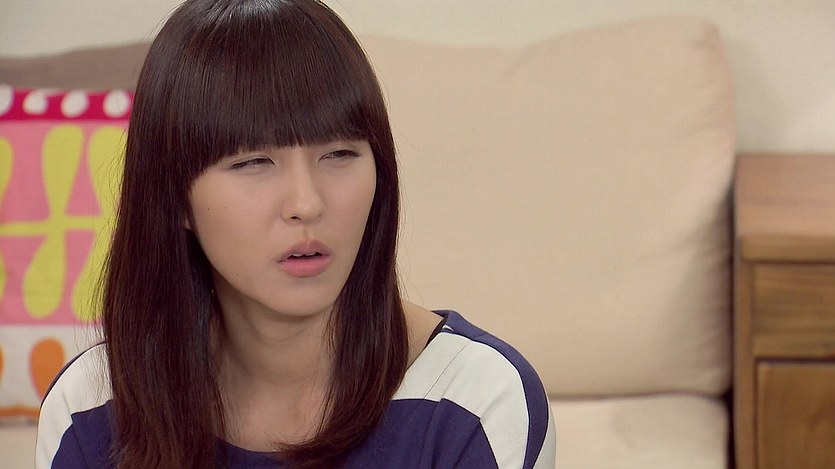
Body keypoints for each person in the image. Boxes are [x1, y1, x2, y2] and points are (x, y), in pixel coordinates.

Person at [35, 0, 556, 467]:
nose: (307, 204)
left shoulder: (474, 400)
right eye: (253, 162)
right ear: (174, 196)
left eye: (340, 154)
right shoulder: (89, 408)